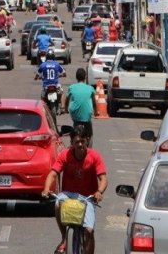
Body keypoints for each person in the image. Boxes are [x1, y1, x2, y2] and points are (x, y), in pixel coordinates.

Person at [42, 125, 108, 254]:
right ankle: (63, 238)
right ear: (71, 143)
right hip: (68, 195)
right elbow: (53, 174)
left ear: (87, 141)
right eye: (76, 142)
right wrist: (46, 189)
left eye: (82, 141)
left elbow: (103, 179)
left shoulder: (95, 156)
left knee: (89, 231)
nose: (80, 145)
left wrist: (99, 192)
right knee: (57, 204)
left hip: (88, 198)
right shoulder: (64, 155)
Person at [64, 68, 97, 141]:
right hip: (87, 115)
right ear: (85, 77)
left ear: (76, 77)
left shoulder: (71, 87)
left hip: (75, 115)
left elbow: (67, 100)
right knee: (90, 132)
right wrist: (96, 111)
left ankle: (73, 140)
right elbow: (94, 102)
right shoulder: (90, 88)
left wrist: (66, 109)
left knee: (75, 125)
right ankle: (88, 139)